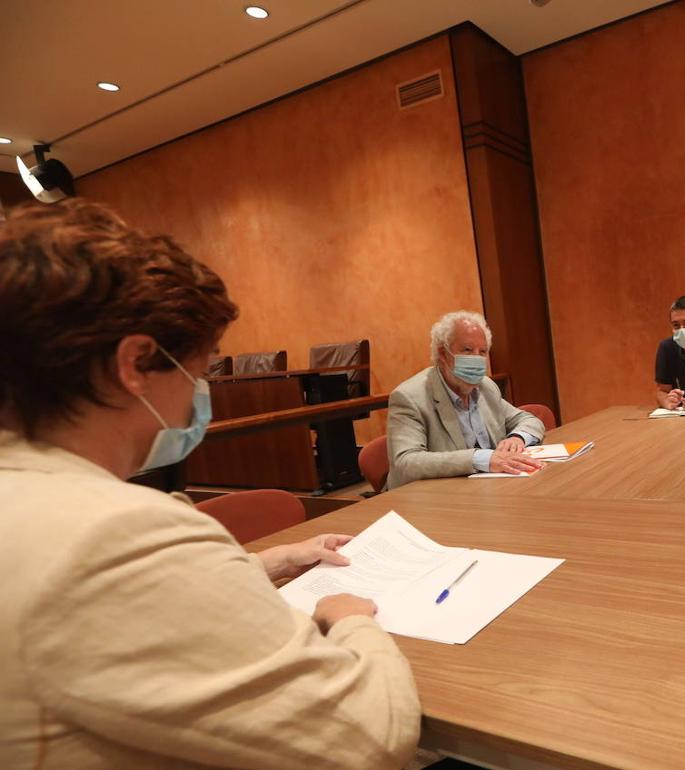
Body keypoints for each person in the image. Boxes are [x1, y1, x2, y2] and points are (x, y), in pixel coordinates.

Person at [0, 200, 420, 768]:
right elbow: (369, 735)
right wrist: (348, 620)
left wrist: (273, 561)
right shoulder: (118, 533)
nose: (200, 396)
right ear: (137, 362)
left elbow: (118, 608)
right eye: (196, 373)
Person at [387, 311, 546, 486]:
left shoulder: (486, 387)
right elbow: (406, 463)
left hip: (490, 488)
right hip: (435, 498)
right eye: (467, 350)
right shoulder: (409, 397)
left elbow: (528, 419)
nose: (477, 359)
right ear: (443, 353)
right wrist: (481, 458)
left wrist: (517, 438)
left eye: (483, 352)